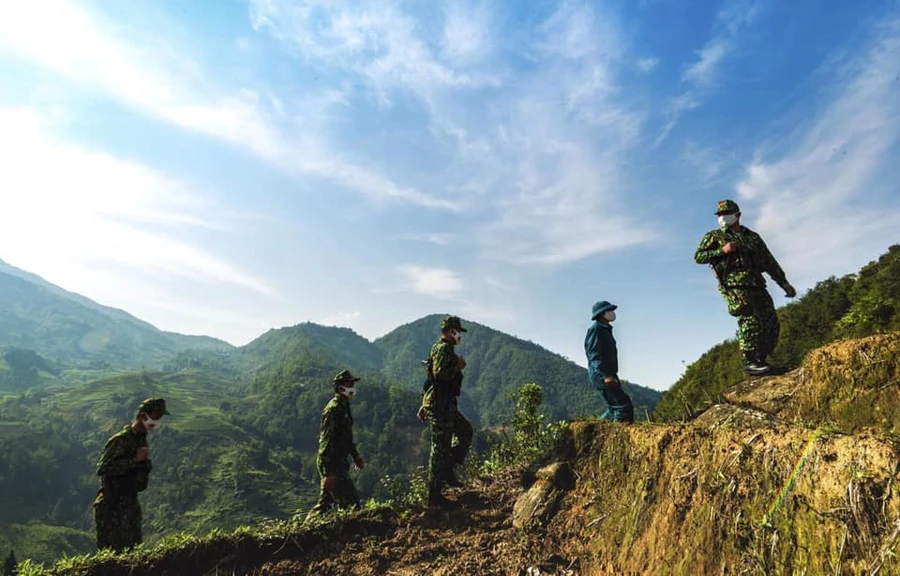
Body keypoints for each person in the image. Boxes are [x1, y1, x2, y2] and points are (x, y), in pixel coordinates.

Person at [694, 199, 797, 375]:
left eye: (726, 214)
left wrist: (784, 283)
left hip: (756, 283)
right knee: (749, 318)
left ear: (737, 215)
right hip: (733, 284)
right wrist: (721, 251)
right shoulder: (714, 237)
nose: (722, 218)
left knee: (770, 321)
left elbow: (769, 261)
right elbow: (699, 257)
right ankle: (750, 361)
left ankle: (761, 360)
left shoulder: (752, 238)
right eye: (719, 215)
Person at [93, 397, 169, 552]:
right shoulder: (121, 440)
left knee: (132, 552)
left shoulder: (141, 441)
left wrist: (143, 464)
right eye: (155, 417)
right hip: (112, 507)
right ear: (143, 416)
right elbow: (103, 468)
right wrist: (135, 460)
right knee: (111, 554)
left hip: (129, 504)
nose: (157, 423)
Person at [417, 315, 473, 509]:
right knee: (440, 448)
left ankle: (448, 469)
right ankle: (434, 495)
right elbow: (440, 374)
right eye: (457, 331)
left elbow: (430, 378)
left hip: (444, 403)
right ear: (451, 331)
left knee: (465, 431)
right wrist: (458, 366)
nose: (459, 336)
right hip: (440, 405)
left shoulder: (441, 349)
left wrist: (424, 403)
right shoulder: (442, 349)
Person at [308, 370, 365, 517]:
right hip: (332, 464)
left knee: (328, 504)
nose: (353, 387)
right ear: (340, 388)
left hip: (338, 462)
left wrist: (355, 456)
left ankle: (307, 530)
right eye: (350, 384)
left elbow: (345, 437)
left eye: (353, 384)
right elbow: (327, 441)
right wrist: (329, 472)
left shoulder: (343, 406)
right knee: (350, 504)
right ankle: (303, 531)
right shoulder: (333, 409)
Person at [584, 301, 634, 423]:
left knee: (614, 407)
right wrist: (605, 376)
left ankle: (594, 427)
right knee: (622, 406)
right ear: (602, 314)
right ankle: (617, 434)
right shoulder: (596, 329)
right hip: (602, 374)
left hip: (608, 373)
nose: (612, 313)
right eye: (609, 311)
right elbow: (593, 354)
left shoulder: (605, 329)